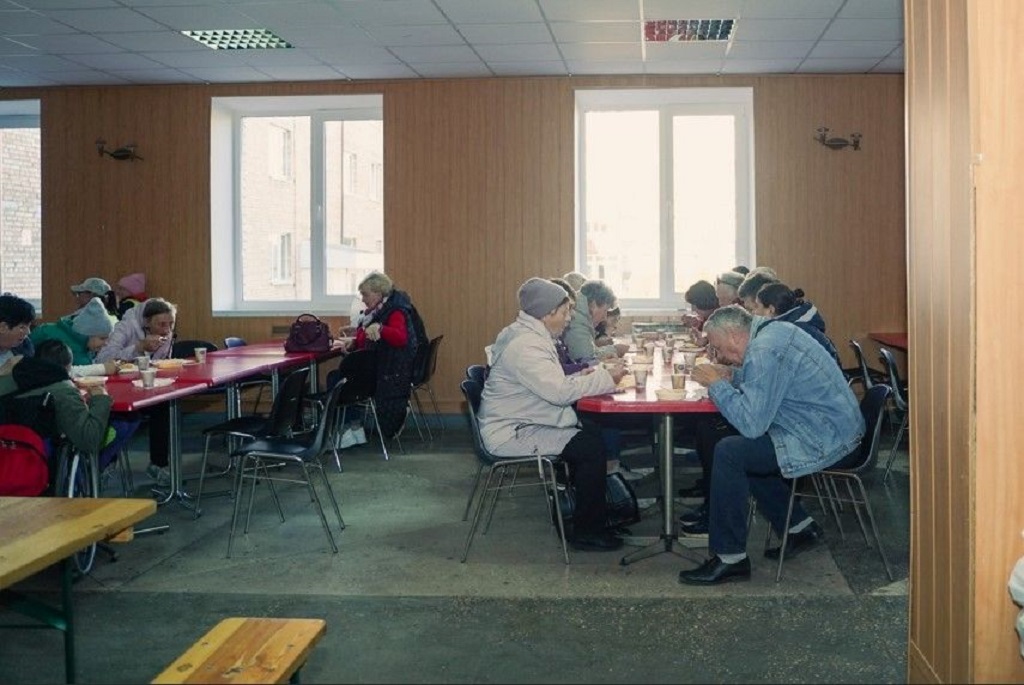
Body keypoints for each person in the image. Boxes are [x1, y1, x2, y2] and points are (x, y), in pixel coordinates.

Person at [678, 305, 864, 585]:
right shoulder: (772, 332)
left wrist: (717, 385)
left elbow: (751, 424)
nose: (720, 355)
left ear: (733, 335)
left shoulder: (765, 349)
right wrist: (731, 375)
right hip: (833, 429)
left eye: (718, 348)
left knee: (730, 452)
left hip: (828, 440)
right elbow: (766, 381)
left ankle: (730, 558)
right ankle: (799, 527)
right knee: (743, 451)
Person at [479, 277, 627, 552]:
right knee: (591, 447)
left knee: (591, 433)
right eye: (565, 312)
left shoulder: (528, 336)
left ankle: (589, 515)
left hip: (523, 420)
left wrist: (584, 376)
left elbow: (550, 382)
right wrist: (605, 378)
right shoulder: (527, 346)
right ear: (547, 313)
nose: (569, 318)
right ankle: (588, 531)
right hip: (512, 432)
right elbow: (558, 393)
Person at [96, 298, 176, 483]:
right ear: (147, 322)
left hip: (144, 384)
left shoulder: (167, 333)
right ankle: (106, 462)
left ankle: (158, 464)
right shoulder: (125, 327)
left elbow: (159, 363)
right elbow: (103, 358)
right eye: (161, 324)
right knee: (121, 417)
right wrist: (138, 347)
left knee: (163, 405)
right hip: (117, 387)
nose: (167, 329)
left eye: (171, 324)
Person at [346, 271, 428, 441]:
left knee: (339, 380)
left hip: (389, 372)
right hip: (388, 369)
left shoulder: (395, 312)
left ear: (378, 293)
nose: (363, 299)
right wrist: (354, 341)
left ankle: (350, 428)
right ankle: (352, 428)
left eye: (365, 294)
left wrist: (381, 329)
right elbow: (368, 335)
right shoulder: (380, 311)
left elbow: (400, 338)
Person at [0, 339, 112, 460]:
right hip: (40, 459)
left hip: (6, 453)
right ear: (68, 367)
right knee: (121, 428)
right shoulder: (64, 391)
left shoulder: (8, 378)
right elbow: (88, 440)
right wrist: (100, 398)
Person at [753, 283, 842, 367]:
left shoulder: (792, 331)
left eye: (757, 306)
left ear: (771, 309)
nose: (754, 312)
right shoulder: (799, 321)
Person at [29, 297, 119, 376]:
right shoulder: (64, 342)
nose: (106, 343)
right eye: (102, 338)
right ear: (87, 334)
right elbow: (64, 371)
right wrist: (103, 368)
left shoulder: (84, 341)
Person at [562, 280, 621, 363]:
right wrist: (616, 349)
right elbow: (586, 358)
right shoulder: (577, 321)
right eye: (605, 310)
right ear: (593, 304)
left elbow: (591, 351)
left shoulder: (582, 315)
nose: (604, 318)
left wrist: (612, 350)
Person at [0, 293, 36, 370]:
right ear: (2, 327)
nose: (28, 332)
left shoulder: (25, 346)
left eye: (29, 326)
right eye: (22, 327)